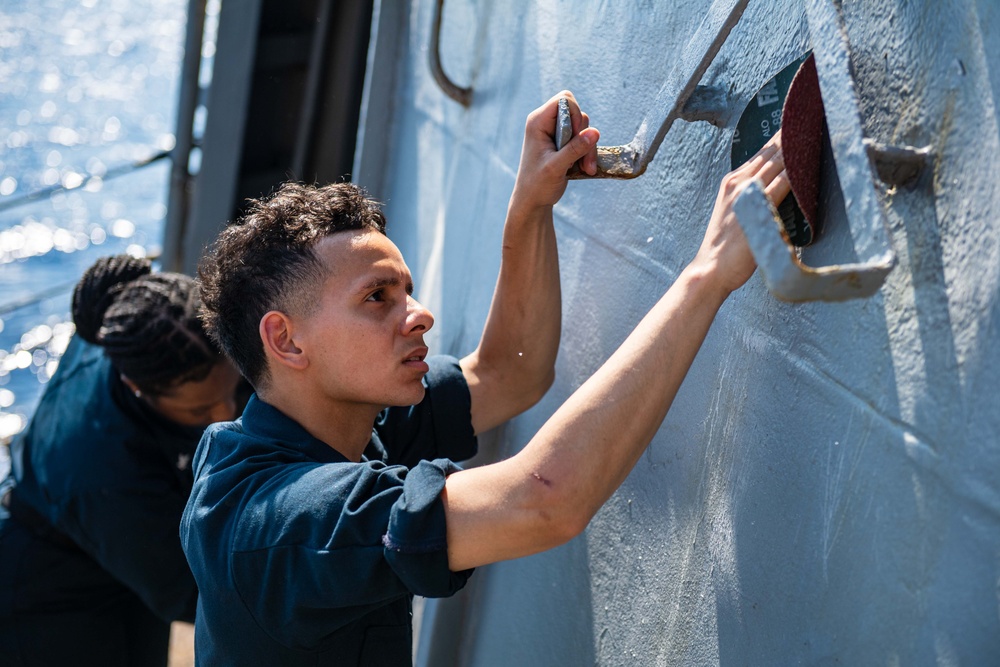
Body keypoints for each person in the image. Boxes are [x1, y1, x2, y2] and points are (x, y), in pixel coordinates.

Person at [180, 91, 790, 665]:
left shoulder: (340, 418)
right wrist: (707, 273)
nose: (419, 315)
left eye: (407, 291)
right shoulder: (281, 523)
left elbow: (506, 375)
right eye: (376, 297)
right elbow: (544, 502)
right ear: (286, 340)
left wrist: (531, 205)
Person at [0, 255, 246, 666]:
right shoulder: (107, 475)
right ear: (136, 387)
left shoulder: (117, 322)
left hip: (114, 552)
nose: (226, 417)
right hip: (46, 586)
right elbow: (189, 592)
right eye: (200, 412)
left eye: (234, 390)